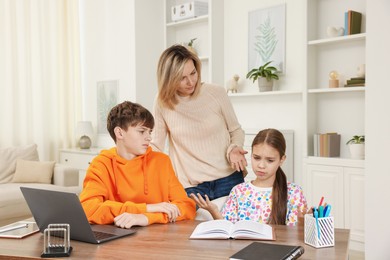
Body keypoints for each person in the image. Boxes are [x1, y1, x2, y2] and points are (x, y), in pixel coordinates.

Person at [151, 44, 248, 201]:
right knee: (191, 226)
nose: (191, 82)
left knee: (234, 226)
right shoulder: (162, 102)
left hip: (229, 179)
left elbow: (236, 130)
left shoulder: (216, 92)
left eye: (193, 73)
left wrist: (235, 148)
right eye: (182, 78)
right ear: (169, 79)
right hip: (191, 187)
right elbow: (156, 146)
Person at [79, 101, 196, 229]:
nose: (149, 138)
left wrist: (146, 217)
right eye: (142, 131)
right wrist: (146, 208)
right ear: (119, 133)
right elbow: (87, 210)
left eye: (149, 132)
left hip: (158, 239)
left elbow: (187, 207)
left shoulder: (162, 162)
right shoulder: (101, 164)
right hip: (116, 240)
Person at [191, 128, 307, 226]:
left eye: (270, 160)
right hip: (242, 251)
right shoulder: (239, 191)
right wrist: (214, 211)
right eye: (256, 158)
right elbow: (227, 231)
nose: (261, 165)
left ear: (282, 160)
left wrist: (303, 222)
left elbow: (295, 237)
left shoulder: (294, 192)